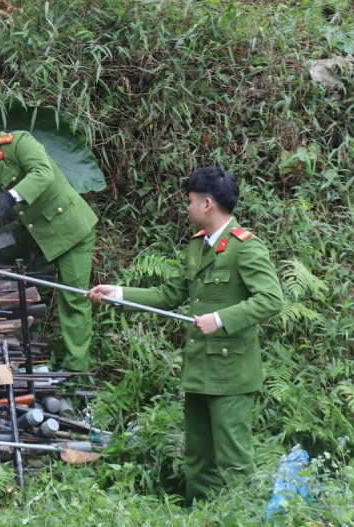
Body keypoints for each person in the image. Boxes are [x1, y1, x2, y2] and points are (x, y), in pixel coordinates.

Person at [86, 166, 283, 503]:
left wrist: (220, 319)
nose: (186, 208)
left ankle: (250, 517)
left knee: (234, 460)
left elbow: (271, 299)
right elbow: (168, 294)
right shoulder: (196, 247)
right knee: (198, 460)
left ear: (207, 204)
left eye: (189, 201)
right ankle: (202, 516)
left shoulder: (245, 247)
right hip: (199, 371)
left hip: (231, 373)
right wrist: (117, 293)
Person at [0, 109, 98, 372]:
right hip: (31, 232)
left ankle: (76, 370)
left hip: (69, 230)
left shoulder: (19, 142)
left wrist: (10, 197)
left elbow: (43, 173)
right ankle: (25, 349)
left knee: (73, 298)